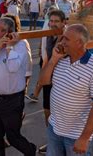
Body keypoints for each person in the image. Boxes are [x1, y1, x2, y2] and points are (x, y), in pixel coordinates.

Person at [38, 24, 93, 156]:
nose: (62, 42)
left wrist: (84, 139)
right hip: (54, 129)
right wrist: (53, 60)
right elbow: (43, 81)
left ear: (79, 43)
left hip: (77, 135)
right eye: (63, 38)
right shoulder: (60, 59)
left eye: (66, 39)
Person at [0, 17, 36, 156]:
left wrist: (9, 47)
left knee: (13, 137)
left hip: (13, 100)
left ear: (8, 33)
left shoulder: (20, 45)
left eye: (0, 29)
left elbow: (13, 67)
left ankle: (30, 150)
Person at [28, 9, 67, 154]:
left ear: (64, 23)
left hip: (63, 80)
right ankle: (52, 142)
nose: (53, 24)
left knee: (61, 113)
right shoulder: (47, 34)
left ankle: (63, 144)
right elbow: (45, 54)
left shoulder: (68, 37)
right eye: (51, 21)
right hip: (49, 77)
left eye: (57, 21)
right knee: (47, 111)